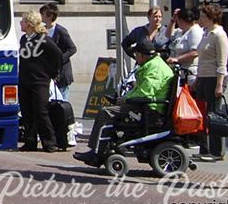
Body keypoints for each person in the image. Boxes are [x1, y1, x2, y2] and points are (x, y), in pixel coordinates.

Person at [73, 37, 176, 165]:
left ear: (142, 55)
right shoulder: (151, 65)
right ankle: (102, 148)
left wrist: (125, 99)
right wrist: (123, 98)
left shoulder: (155, 69)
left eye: (136, 55)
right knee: (111, 109)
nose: (135, 58)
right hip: (144, 106)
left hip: (149, 110)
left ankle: (96, 152)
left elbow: (144, 93)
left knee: (105, 113)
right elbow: (140, 90)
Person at [18, 10, 63, 153]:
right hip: (25, 80)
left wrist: (52, 73)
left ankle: (49, 142)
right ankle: (30, 141)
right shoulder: (24, 39)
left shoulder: (43, 39)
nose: (20, 23)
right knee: (27, 112)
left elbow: (58, 56)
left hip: (40, 81)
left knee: (41, 111)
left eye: (23, 21)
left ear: (30, 24)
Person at [193, 4, 228, 161]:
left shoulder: (219, 35)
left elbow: (222, 62)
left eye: (203, 16)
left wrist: (219, 84)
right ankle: (204, 148)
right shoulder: (206, 33)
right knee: (202, 113)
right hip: (203, 77)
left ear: (211, 18)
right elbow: (201, 59)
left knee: (214, 115)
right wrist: (197, 80)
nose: (200, 19)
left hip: (214, 78)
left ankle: (217, 151)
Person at [40, 3, 75, 100]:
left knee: (62, 100)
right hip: (48, 72)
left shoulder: (60, 31)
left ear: (50, 16)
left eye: (42, 14)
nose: (40, 16)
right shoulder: (42, 30)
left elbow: (72, 48)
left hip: (62, 73)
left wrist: (60, 59)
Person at [167, 7, 203, 87]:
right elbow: (168, 35)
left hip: (190, 72)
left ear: (182, 20)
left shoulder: (195, 31)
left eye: (178, 20)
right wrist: (173, 20)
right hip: (180, 71)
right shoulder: (181, 31)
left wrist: (177, 59)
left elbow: (195, 52)